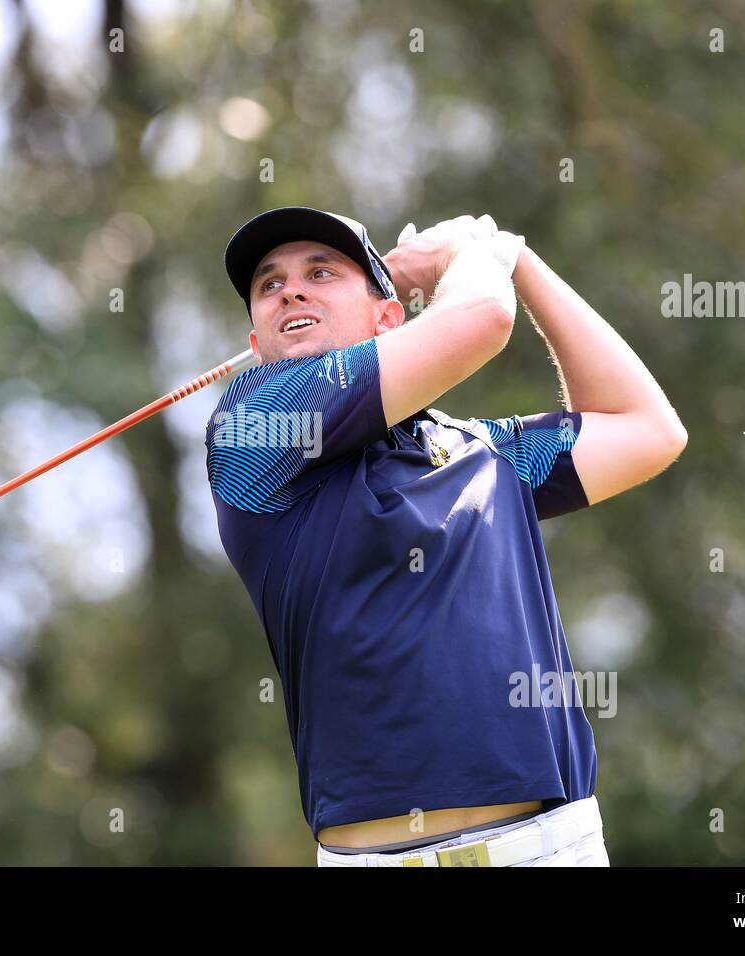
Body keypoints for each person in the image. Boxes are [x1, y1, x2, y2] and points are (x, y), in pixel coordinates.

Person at [205, 206, 687, 866]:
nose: (291, 289)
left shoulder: (484, 451)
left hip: (548, 850)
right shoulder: (253, 428)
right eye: (269, 284)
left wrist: (518, 258)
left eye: (323, 272)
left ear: (387, 317)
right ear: (257, 345)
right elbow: (484, 318)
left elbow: (648, 429)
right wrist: (462, 254)